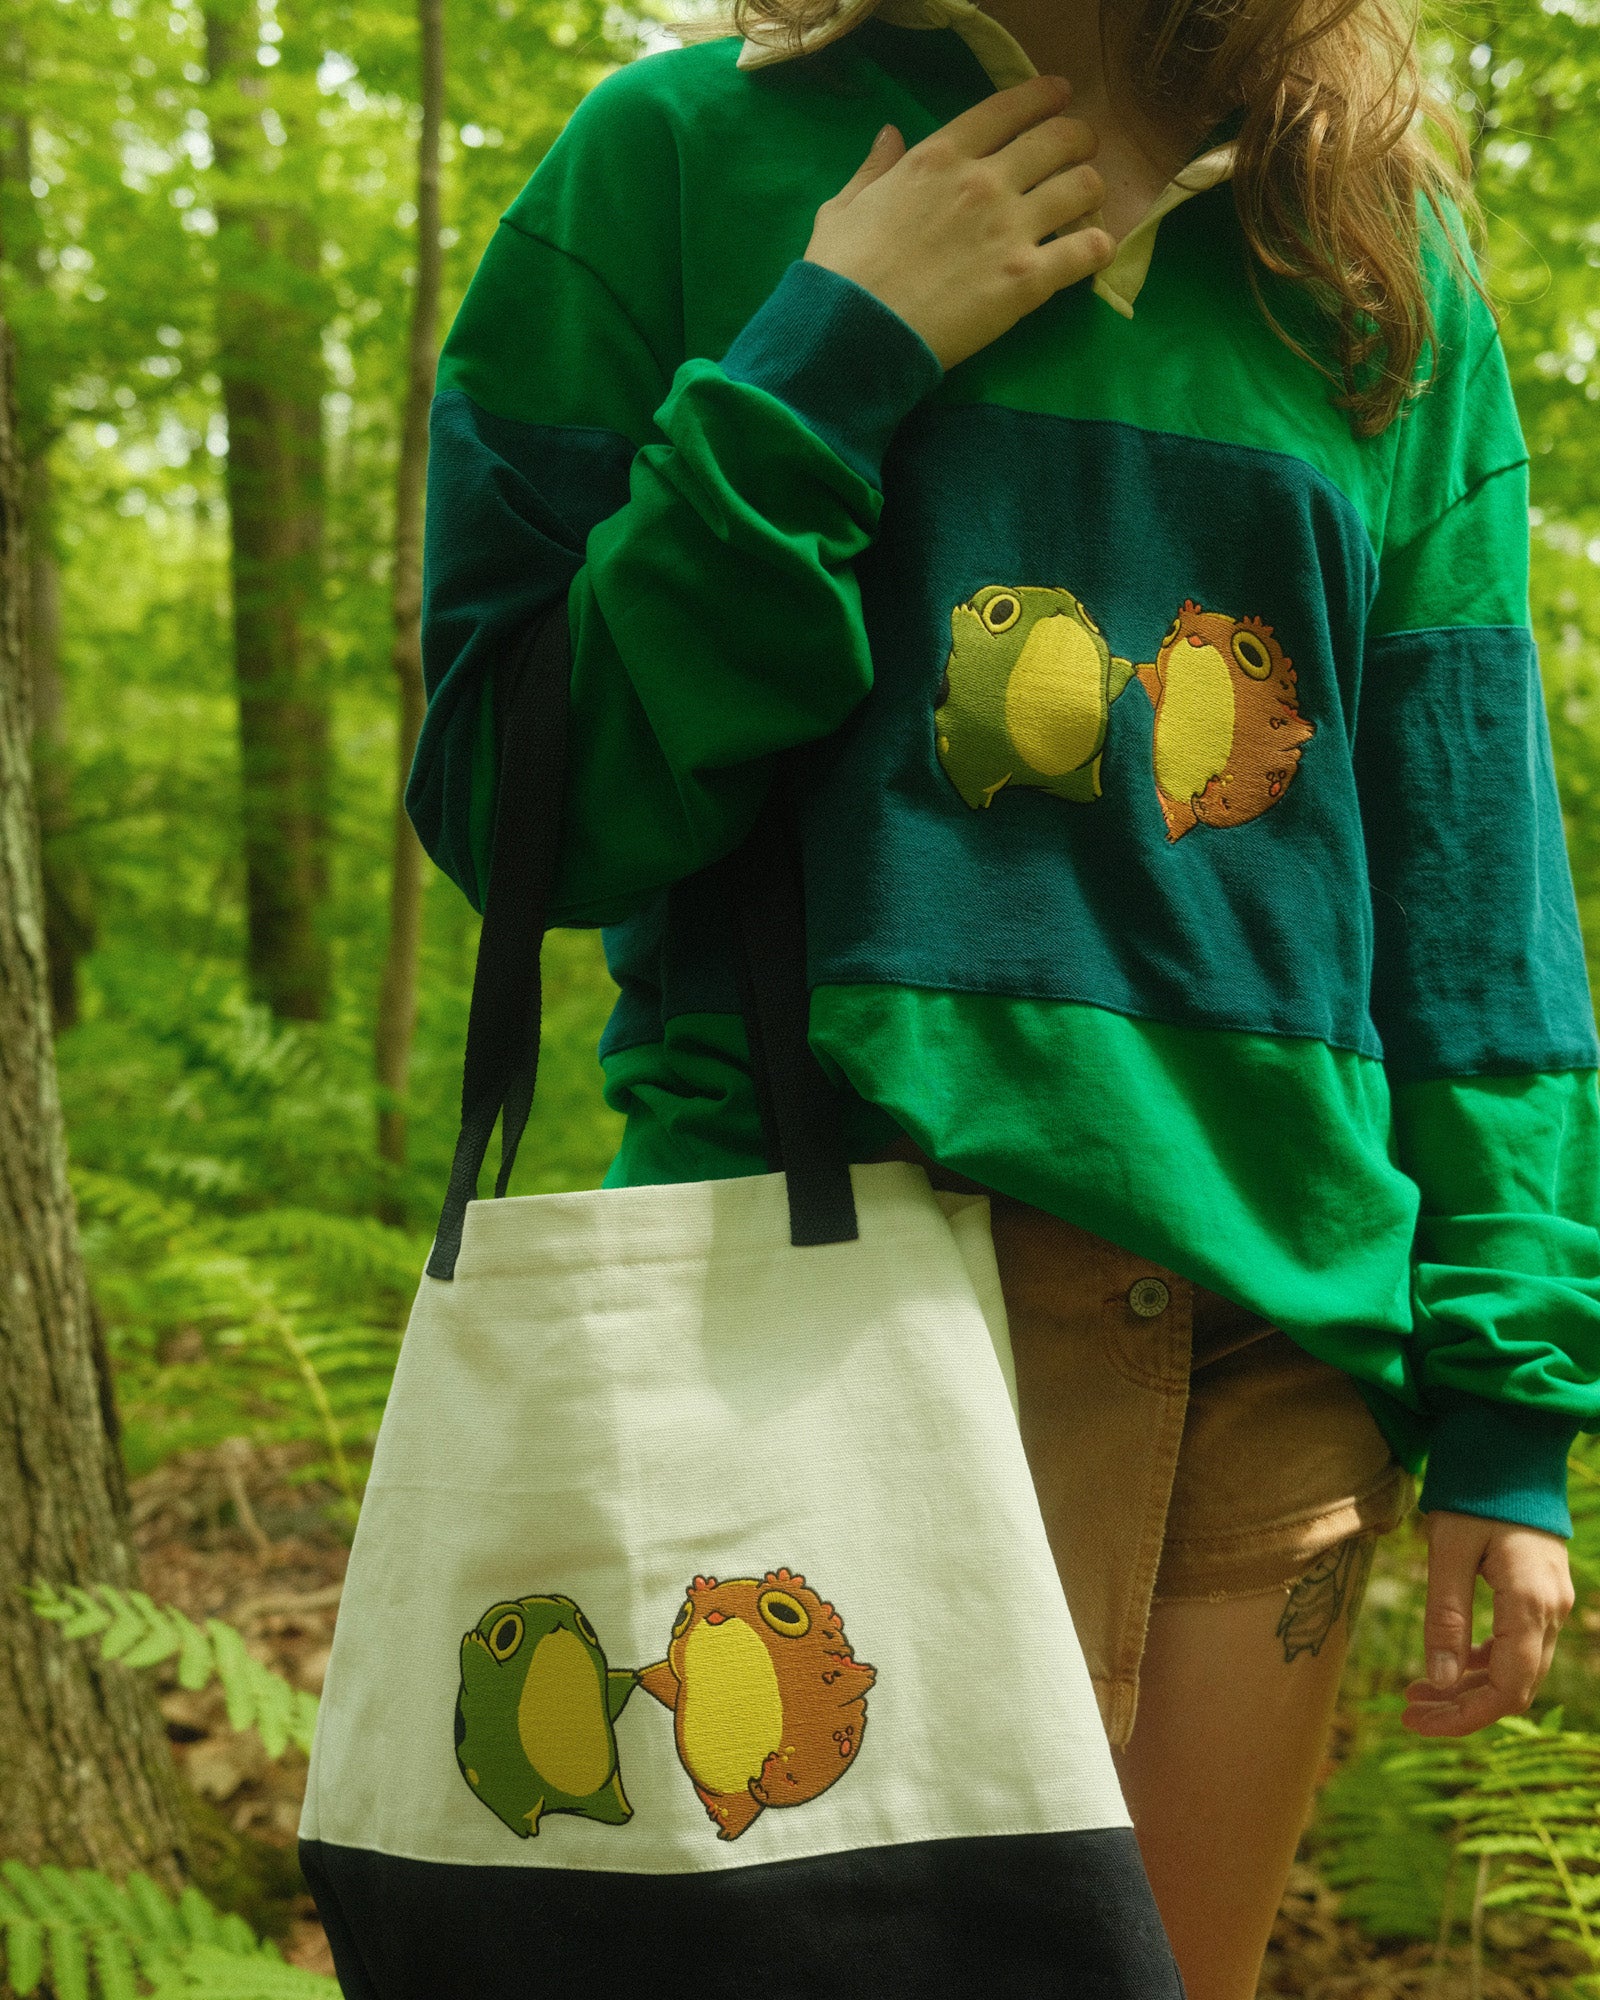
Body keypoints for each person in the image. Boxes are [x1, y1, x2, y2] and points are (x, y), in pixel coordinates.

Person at [410, 1, 1599, 1992]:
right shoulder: (674, 159)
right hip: (804, 1290)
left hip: (1269, 1347)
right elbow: (516, 802)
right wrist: (828, 360)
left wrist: (1507, 1401)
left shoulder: (1370, 251)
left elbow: (1468, 867)